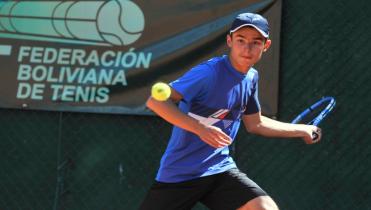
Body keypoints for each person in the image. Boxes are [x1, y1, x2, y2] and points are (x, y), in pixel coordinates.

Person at [140, 12, 321, 210]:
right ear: (229, 41)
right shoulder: (208, 73)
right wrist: (200, 128)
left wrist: (301, 129)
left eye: (255, 42)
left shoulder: (251, 77)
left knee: (264, 207)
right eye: (241, 40)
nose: (247, 48)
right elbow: (156, 102)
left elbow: (256, 123)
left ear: (266, 46)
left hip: (219, 169)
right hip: (180, 174)